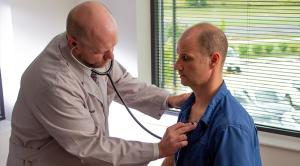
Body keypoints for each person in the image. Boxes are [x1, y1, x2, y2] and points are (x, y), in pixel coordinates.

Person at [7, 1, 197, 166]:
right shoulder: (53, 83)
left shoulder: (90, 49)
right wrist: (158, 149)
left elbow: (122, 82)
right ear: (74, 44)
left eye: (113, 46)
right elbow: (89, 146)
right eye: (102, 51)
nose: (111, 56)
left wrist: (169, 99)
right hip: (44, 160)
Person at [162, 23, 262, 166]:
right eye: (178, 56)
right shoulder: (188, 106)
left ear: (214, 60)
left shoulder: (231, 127)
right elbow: (175, 156)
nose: (176, 65)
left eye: (186, 58)